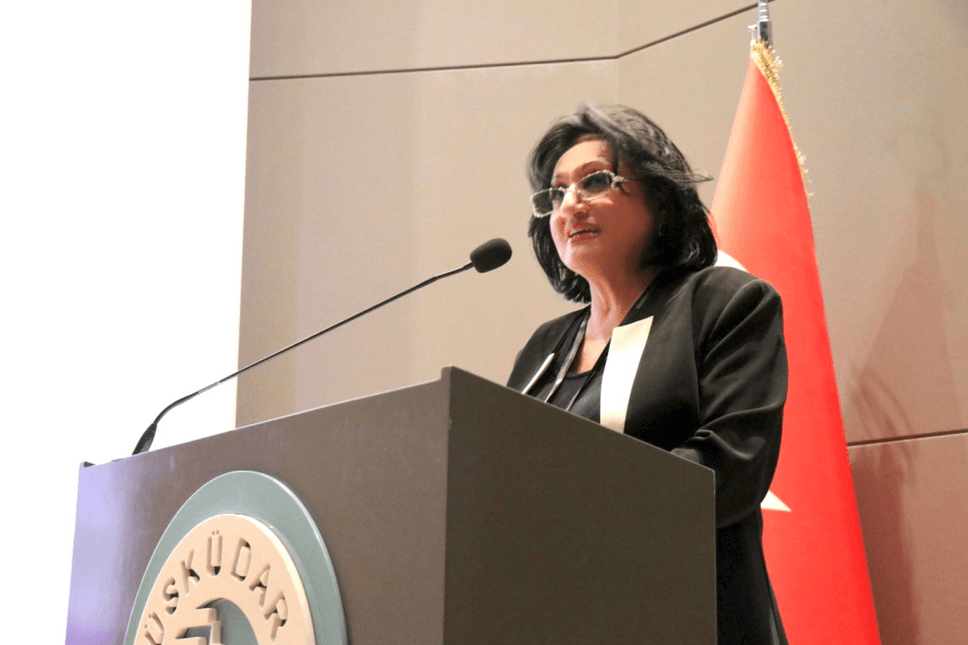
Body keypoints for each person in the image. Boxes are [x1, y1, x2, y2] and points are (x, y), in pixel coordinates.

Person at [506, 104, 789, 645]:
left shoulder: (722, 303)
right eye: (557, 193)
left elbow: (730, 466)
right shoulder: (545, 348)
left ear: (659, 198)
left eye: (595, 181)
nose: (570, 204)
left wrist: (574, 515)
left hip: (693, 617)